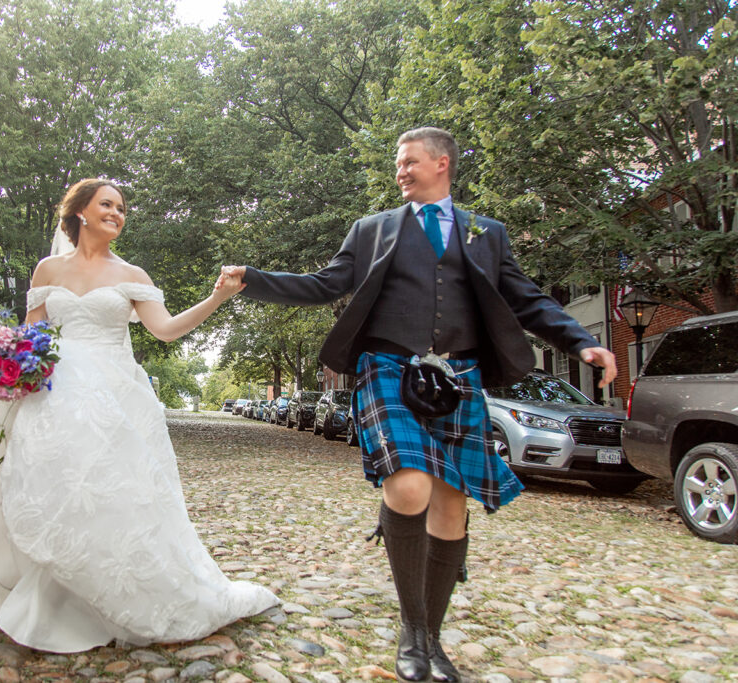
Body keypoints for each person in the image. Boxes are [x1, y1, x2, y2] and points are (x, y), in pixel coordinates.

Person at [219, 127, 616, 682]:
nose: (400, 171)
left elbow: (526, 298)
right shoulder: (372, 229)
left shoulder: (486, 232)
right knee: (409, 486)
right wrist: (254, 280)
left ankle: (432, 634)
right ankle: (411, 627)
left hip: (460, 375)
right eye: (397, 164)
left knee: (451, 506)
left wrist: (580, 341)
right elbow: (324, 284)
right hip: (388, 368)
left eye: (409, 162)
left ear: (442, 163)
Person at [0, 178, 278, 653]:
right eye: (107, 204)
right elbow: (34, 336)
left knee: (113, 493)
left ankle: (119, 597)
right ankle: (53, 602)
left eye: (122, 208)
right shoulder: (47, 270)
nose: (117, 213)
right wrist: (4, 362)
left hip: (114, 398)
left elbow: (166, 331)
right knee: (56, 489)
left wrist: (217, 298)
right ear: (81, 212)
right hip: (54, 397)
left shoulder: (134, 275)